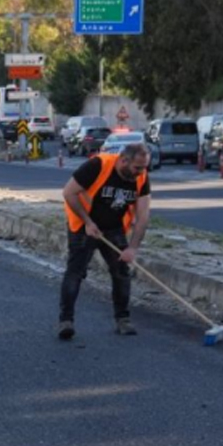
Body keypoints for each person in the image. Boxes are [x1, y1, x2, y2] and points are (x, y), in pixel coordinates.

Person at [57, 142, 153, 339]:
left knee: (121, 273)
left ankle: (123, 319)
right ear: (124, 160)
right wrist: (88, 222)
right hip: (84, 226)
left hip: (114, 228)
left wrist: (132, 248)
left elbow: (143, 216)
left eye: (144, 168)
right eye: (137, 168)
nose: (140, 172)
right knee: (76, 272)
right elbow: (68, 192)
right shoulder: (98, 165)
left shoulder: (141, 177)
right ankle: (66, 321)